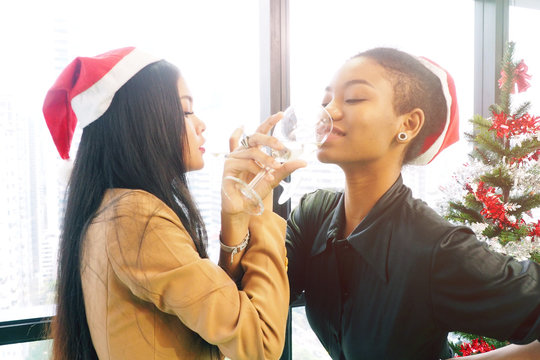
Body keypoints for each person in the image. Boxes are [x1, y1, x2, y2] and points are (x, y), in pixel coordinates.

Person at [42, 47, 303, 360]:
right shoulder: (134, 217)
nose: (201, 124)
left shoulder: (111, 208)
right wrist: (261, 210)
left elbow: (216, 317)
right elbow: (261, 342)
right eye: (186, 111)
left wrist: (236, 218)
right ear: (141, 123)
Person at [280, 47, 540, 359]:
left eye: (353, 99)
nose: (329, 112)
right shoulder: (313, 215)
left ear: (408, 124)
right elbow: (252, 303)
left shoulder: (436, 249)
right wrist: (239, 211)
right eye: (326, 101)